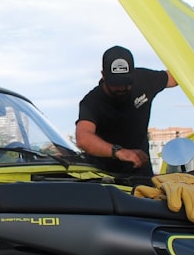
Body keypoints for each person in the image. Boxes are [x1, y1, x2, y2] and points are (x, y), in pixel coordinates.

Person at [75, 45, 177, 178]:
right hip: (105, 177)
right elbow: (83, 138)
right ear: (104, 75)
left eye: (126, 82)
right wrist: (120, 152)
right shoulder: (92, 102)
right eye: (116, 83)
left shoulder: (144, 80)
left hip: (140, 173)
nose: (122, 87)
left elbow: (175, 78)